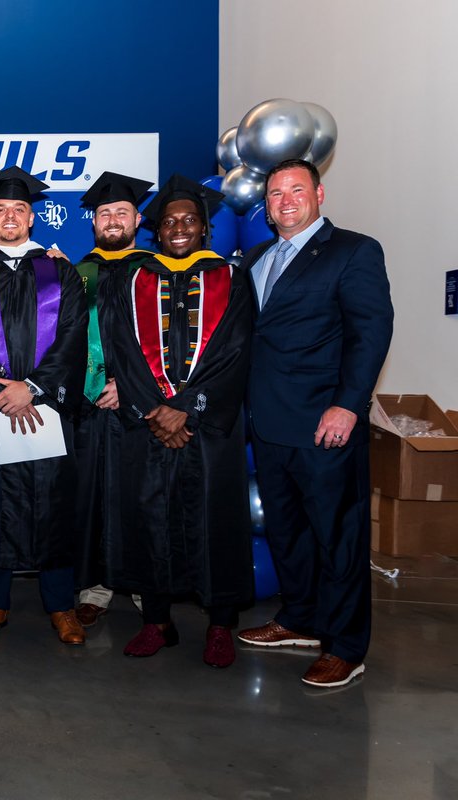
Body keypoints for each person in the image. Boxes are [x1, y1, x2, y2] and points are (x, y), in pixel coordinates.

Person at [237, 159, 393, 688]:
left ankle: (347, 646)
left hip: (325, 423)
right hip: (268, 423)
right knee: (287, 531)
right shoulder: (256, 257)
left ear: (319, 194)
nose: (284, 201)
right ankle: (301, 618)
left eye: (295, 190)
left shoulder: (354, 251)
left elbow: (369, 333)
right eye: (275, 193)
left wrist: (348, 404)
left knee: (338, 537)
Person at [99, 175, 253, 668]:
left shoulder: (232, 278)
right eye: (170, 221)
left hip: (206, 430)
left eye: (189, 220)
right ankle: (157, 621)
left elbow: (236, 351)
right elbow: (122, 350)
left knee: (215, 521)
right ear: (157, 231)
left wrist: (188, 406)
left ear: (205, 229)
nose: (180, 228)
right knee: (149, 520)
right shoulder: (134, 278)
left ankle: (220, 624)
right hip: (149, 427)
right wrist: (153, 410)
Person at [0, 166, 89, 646]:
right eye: (1, 210)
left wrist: (35, 387)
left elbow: (73, 337)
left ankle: (61, 604)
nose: (10, 217)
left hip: (48, 406)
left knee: (55, 504)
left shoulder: (58, 270)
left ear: (32, 217)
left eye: (19, 210)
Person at [69, 172, 154, 628]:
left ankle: (144, 582)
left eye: (122, 212)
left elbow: (166, 342)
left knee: (140, 495)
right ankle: (95, 588)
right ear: (94, 223)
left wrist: (129, 384)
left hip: (141, 405)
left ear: (138, 218)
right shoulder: (80, 273)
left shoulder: (158, 270)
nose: (113, 220)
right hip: (88, 404)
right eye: (105, 214)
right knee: (92, 494)